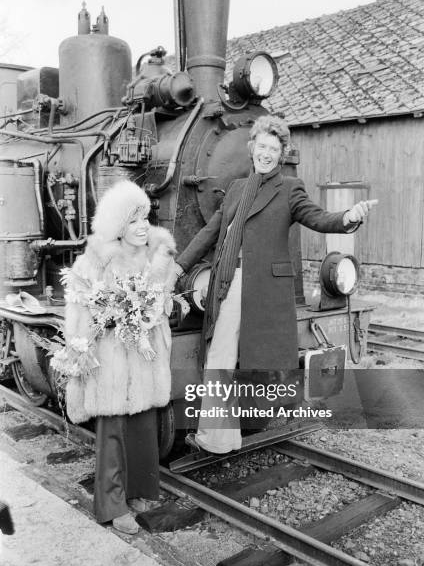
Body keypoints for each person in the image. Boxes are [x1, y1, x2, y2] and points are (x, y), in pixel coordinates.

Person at [175, 115, 377, 454]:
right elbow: (211, 231)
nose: (266, 154)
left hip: (262, 289)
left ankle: (241, 423)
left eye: (274, 148)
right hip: (227, 282)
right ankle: (218, 437)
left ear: (281, 153)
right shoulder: (238, 188)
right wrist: (178, 265)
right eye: (262, 146)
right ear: (252, 147)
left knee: (249, 362)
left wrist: (347, 218)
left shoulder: (288, 189)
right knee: (220, 357)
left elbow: (316, 216)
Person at [59, 180, 176, 534]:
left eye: (145, 218)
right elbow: (77, 309)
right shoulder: (95, 259)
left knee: (143, 427)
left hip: (143, 356)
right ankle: (111, 504)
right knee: (112, 433)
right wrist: (90, 336)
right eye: (133, 220)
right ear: (116, 225)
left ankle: (140, 489)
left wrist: (153, 313)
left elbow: (166, 304)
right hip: (108, 360)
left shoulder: (158, 256)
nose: (143, 226)